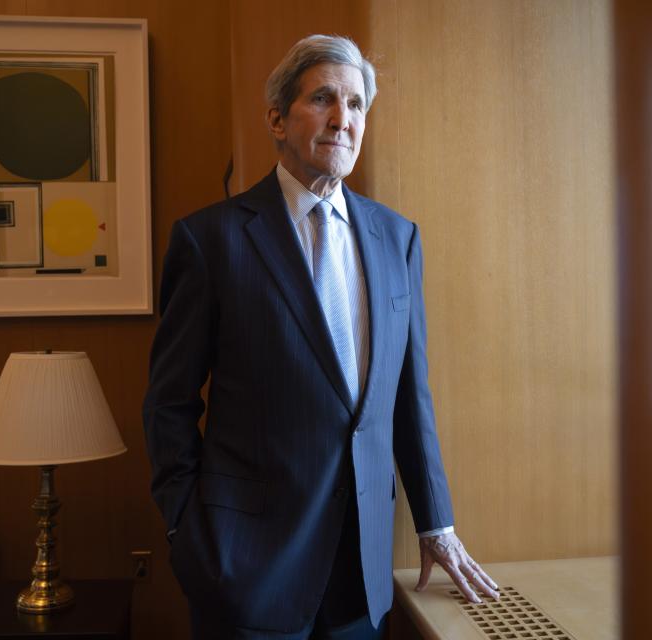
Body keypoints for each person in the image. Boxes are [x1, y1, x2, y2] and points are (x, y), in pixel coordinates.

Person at [143, 34, 499, 639]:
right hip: (245, 571)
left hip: (360, 575)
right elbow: (168, 406)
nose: (344, 119)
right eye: (324, 99)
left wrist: (435, 524)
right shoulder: (211, 241)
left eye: (357, 104)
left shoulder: (398, 238)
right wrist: (188, 534)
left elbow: (408, 395)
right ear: (277, 120)